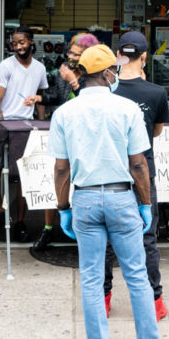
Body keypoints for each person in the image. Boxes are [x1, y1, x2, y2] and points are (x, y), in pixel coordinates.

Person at [49, 44, 169, 339]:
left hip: (85, 200)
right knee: (136, 275)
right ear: (108, 74)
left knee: (91, 279)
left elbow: (61, 170)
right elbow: (138, 165)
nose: (117, 75)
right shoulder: (127, 109)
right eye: (114, 71)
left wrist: (63, 208)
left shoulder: (64, 113)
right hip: (122, 199)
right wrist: (145, 204)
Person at [104, 30, 169, 320]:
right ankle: (155, 304)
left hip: (109, 173)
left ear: (119, 56)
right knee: (147, 237)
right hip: (144, 173)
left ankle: (104, 300)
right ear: (144, 57)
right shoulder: (156, 93)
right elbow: (155, 131)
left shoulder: (106, 91)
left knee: (106, 240)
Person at [25, 32, 98, 251]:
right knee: (54, 180)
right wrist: (39, 98)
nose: (71, 56)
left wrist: (74, 81)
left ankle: (85, 230)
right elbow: (57, 97)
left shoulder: (94, 76)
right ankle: (48, 228)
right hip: (64, 132)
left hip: (86, 137)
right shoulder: (63, 72)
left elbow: (91, 103)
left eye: (76, 54)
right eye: (70, 52)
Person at [0, 26, 48, 241]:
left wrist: (41, 123)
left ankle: (20, 221)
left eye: (22, 42)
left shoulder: (39, 68)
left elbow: (40, 98)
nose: (18, 46)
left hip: (27, 126)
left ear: (31, 42)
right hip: (5, 124)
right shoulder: (6, 65)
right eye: (15, 43)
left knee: (23, 177)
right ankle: (0, 209)